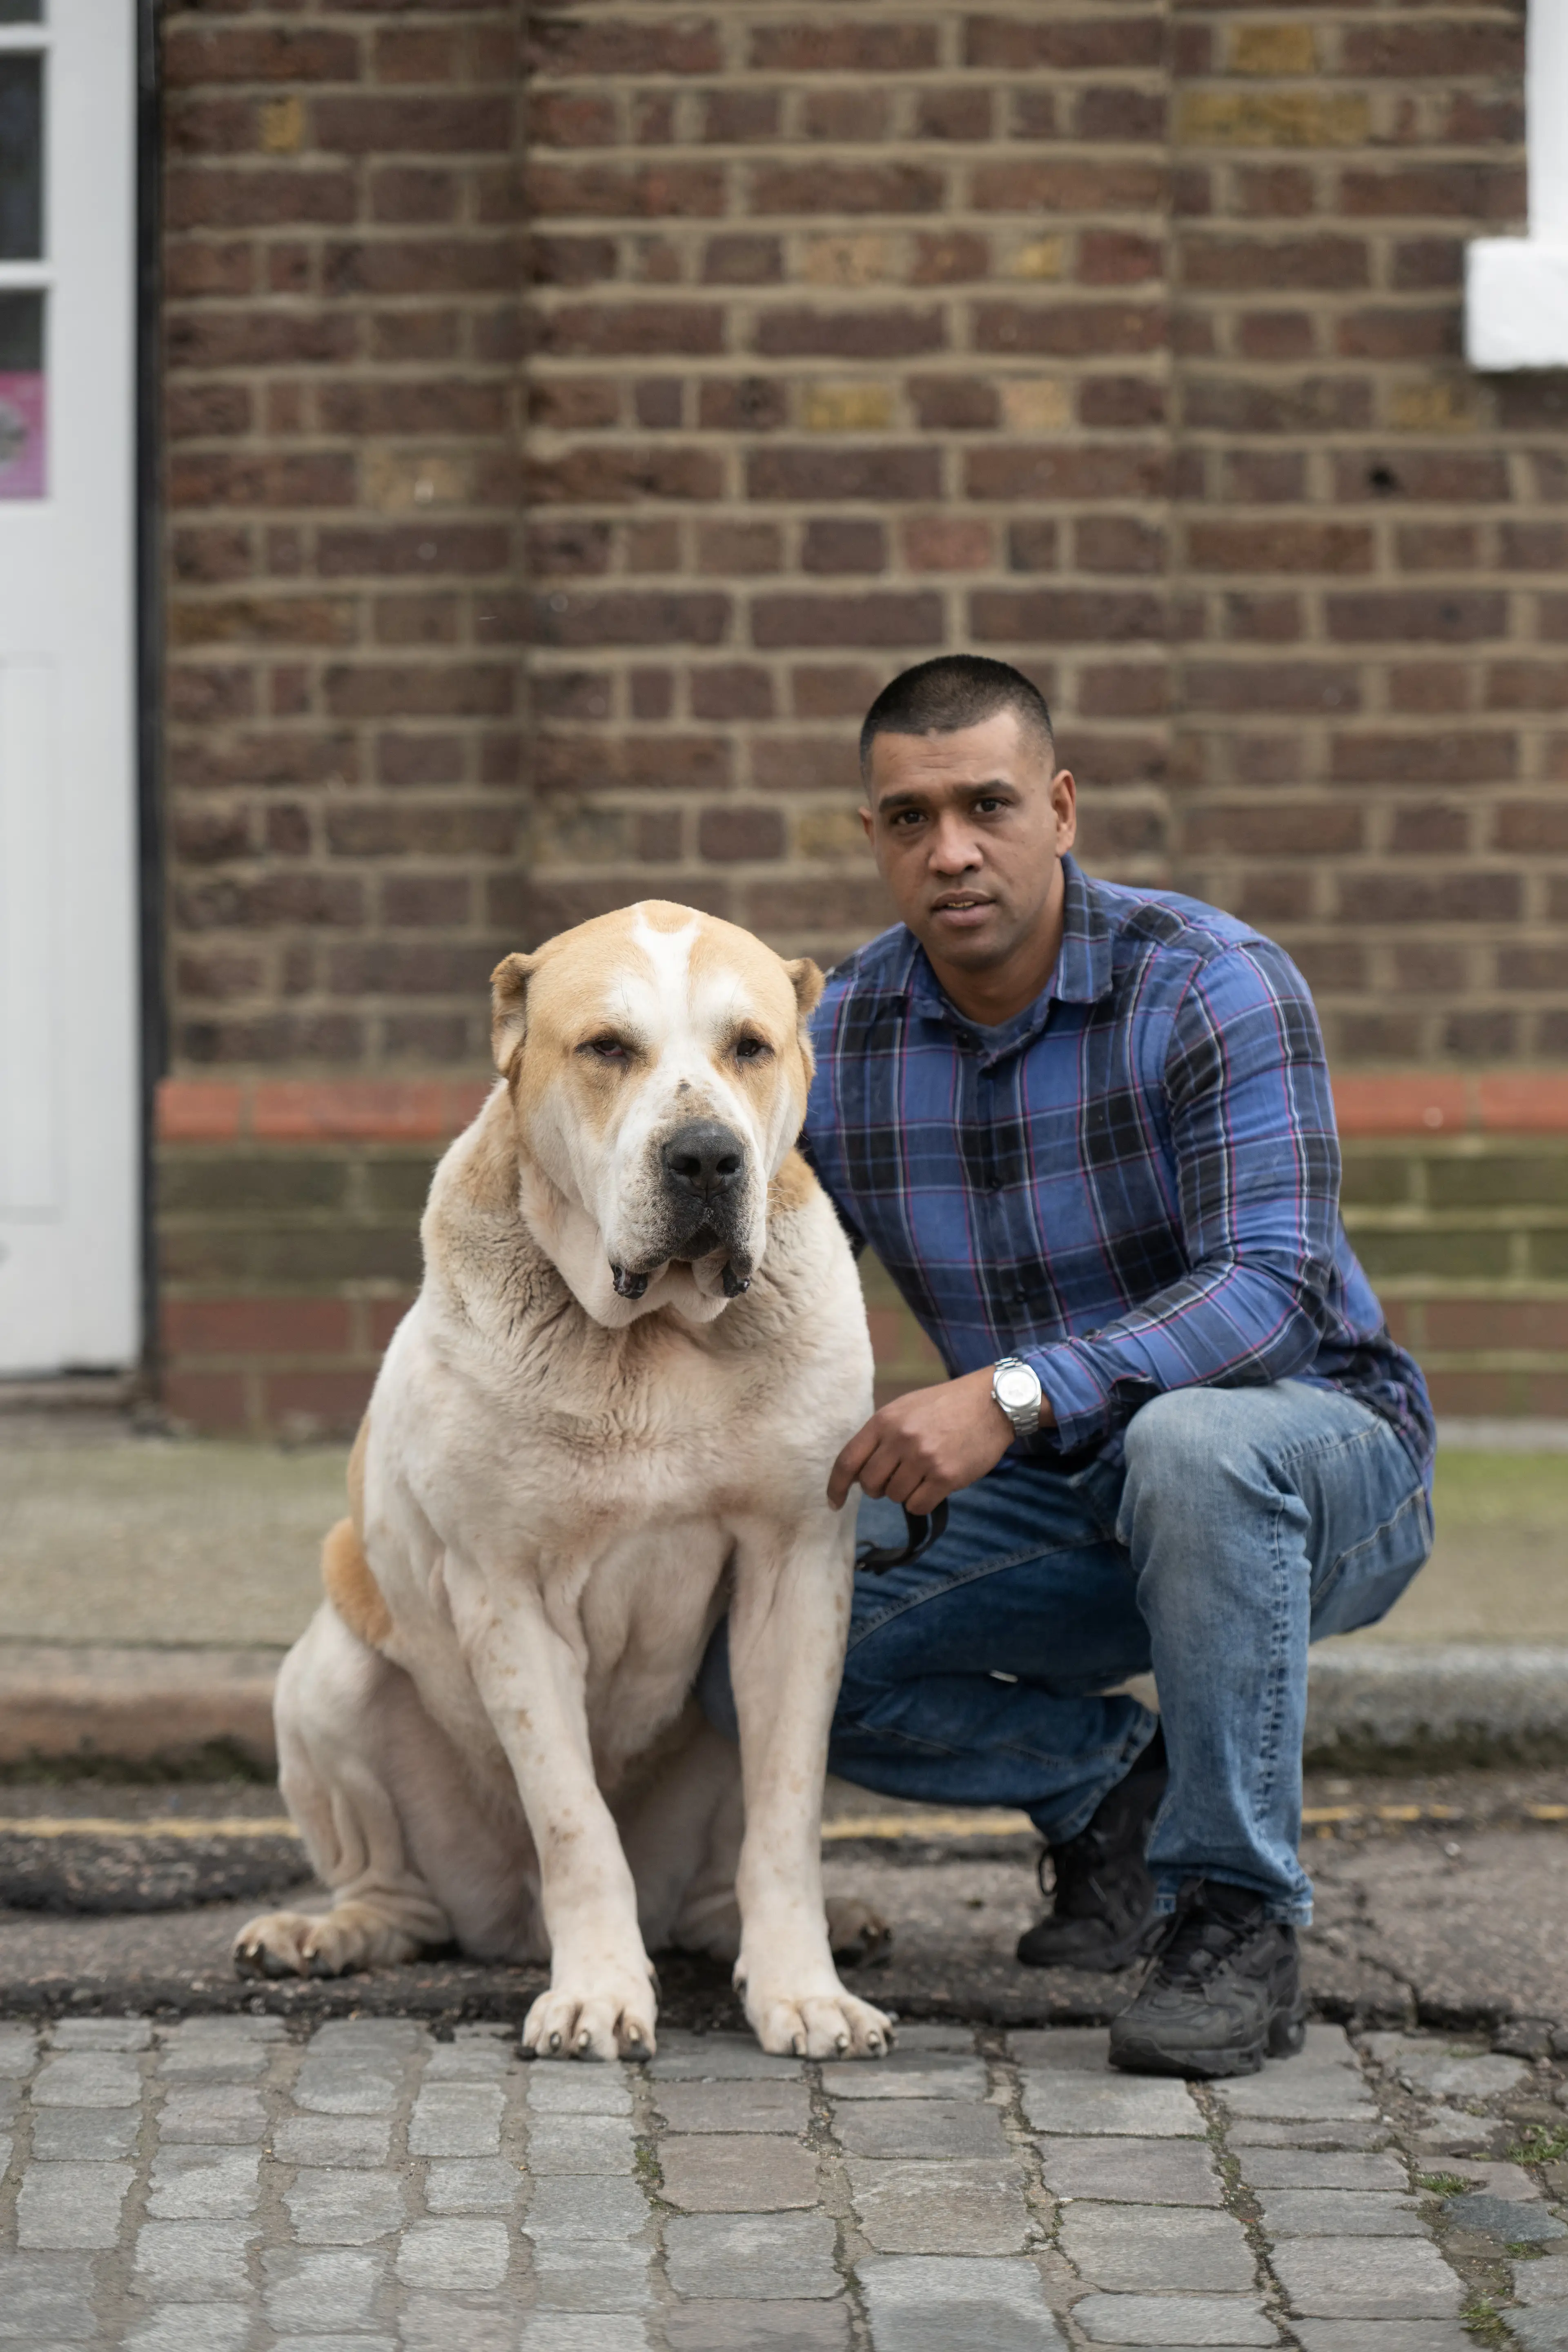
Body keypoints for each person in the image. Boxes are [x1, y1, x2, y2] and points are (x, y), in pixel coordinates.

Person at [699, 652, 1436, 2080]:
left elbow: (1273, 1290)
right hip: (1060, 1496)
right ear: (872, 840)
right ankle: (1110, 1794)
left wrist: (1014, 1392)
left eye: (987, 804)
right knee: (763, 1644)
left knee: (1193, 1447)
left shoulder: (1209, 983)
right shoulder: (837, 1039)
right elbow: (771, 1285)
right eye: (908, 819)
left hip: (1320, 1455)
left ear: (1063, 805)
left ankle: (1237, 1917)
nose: (952, 849)